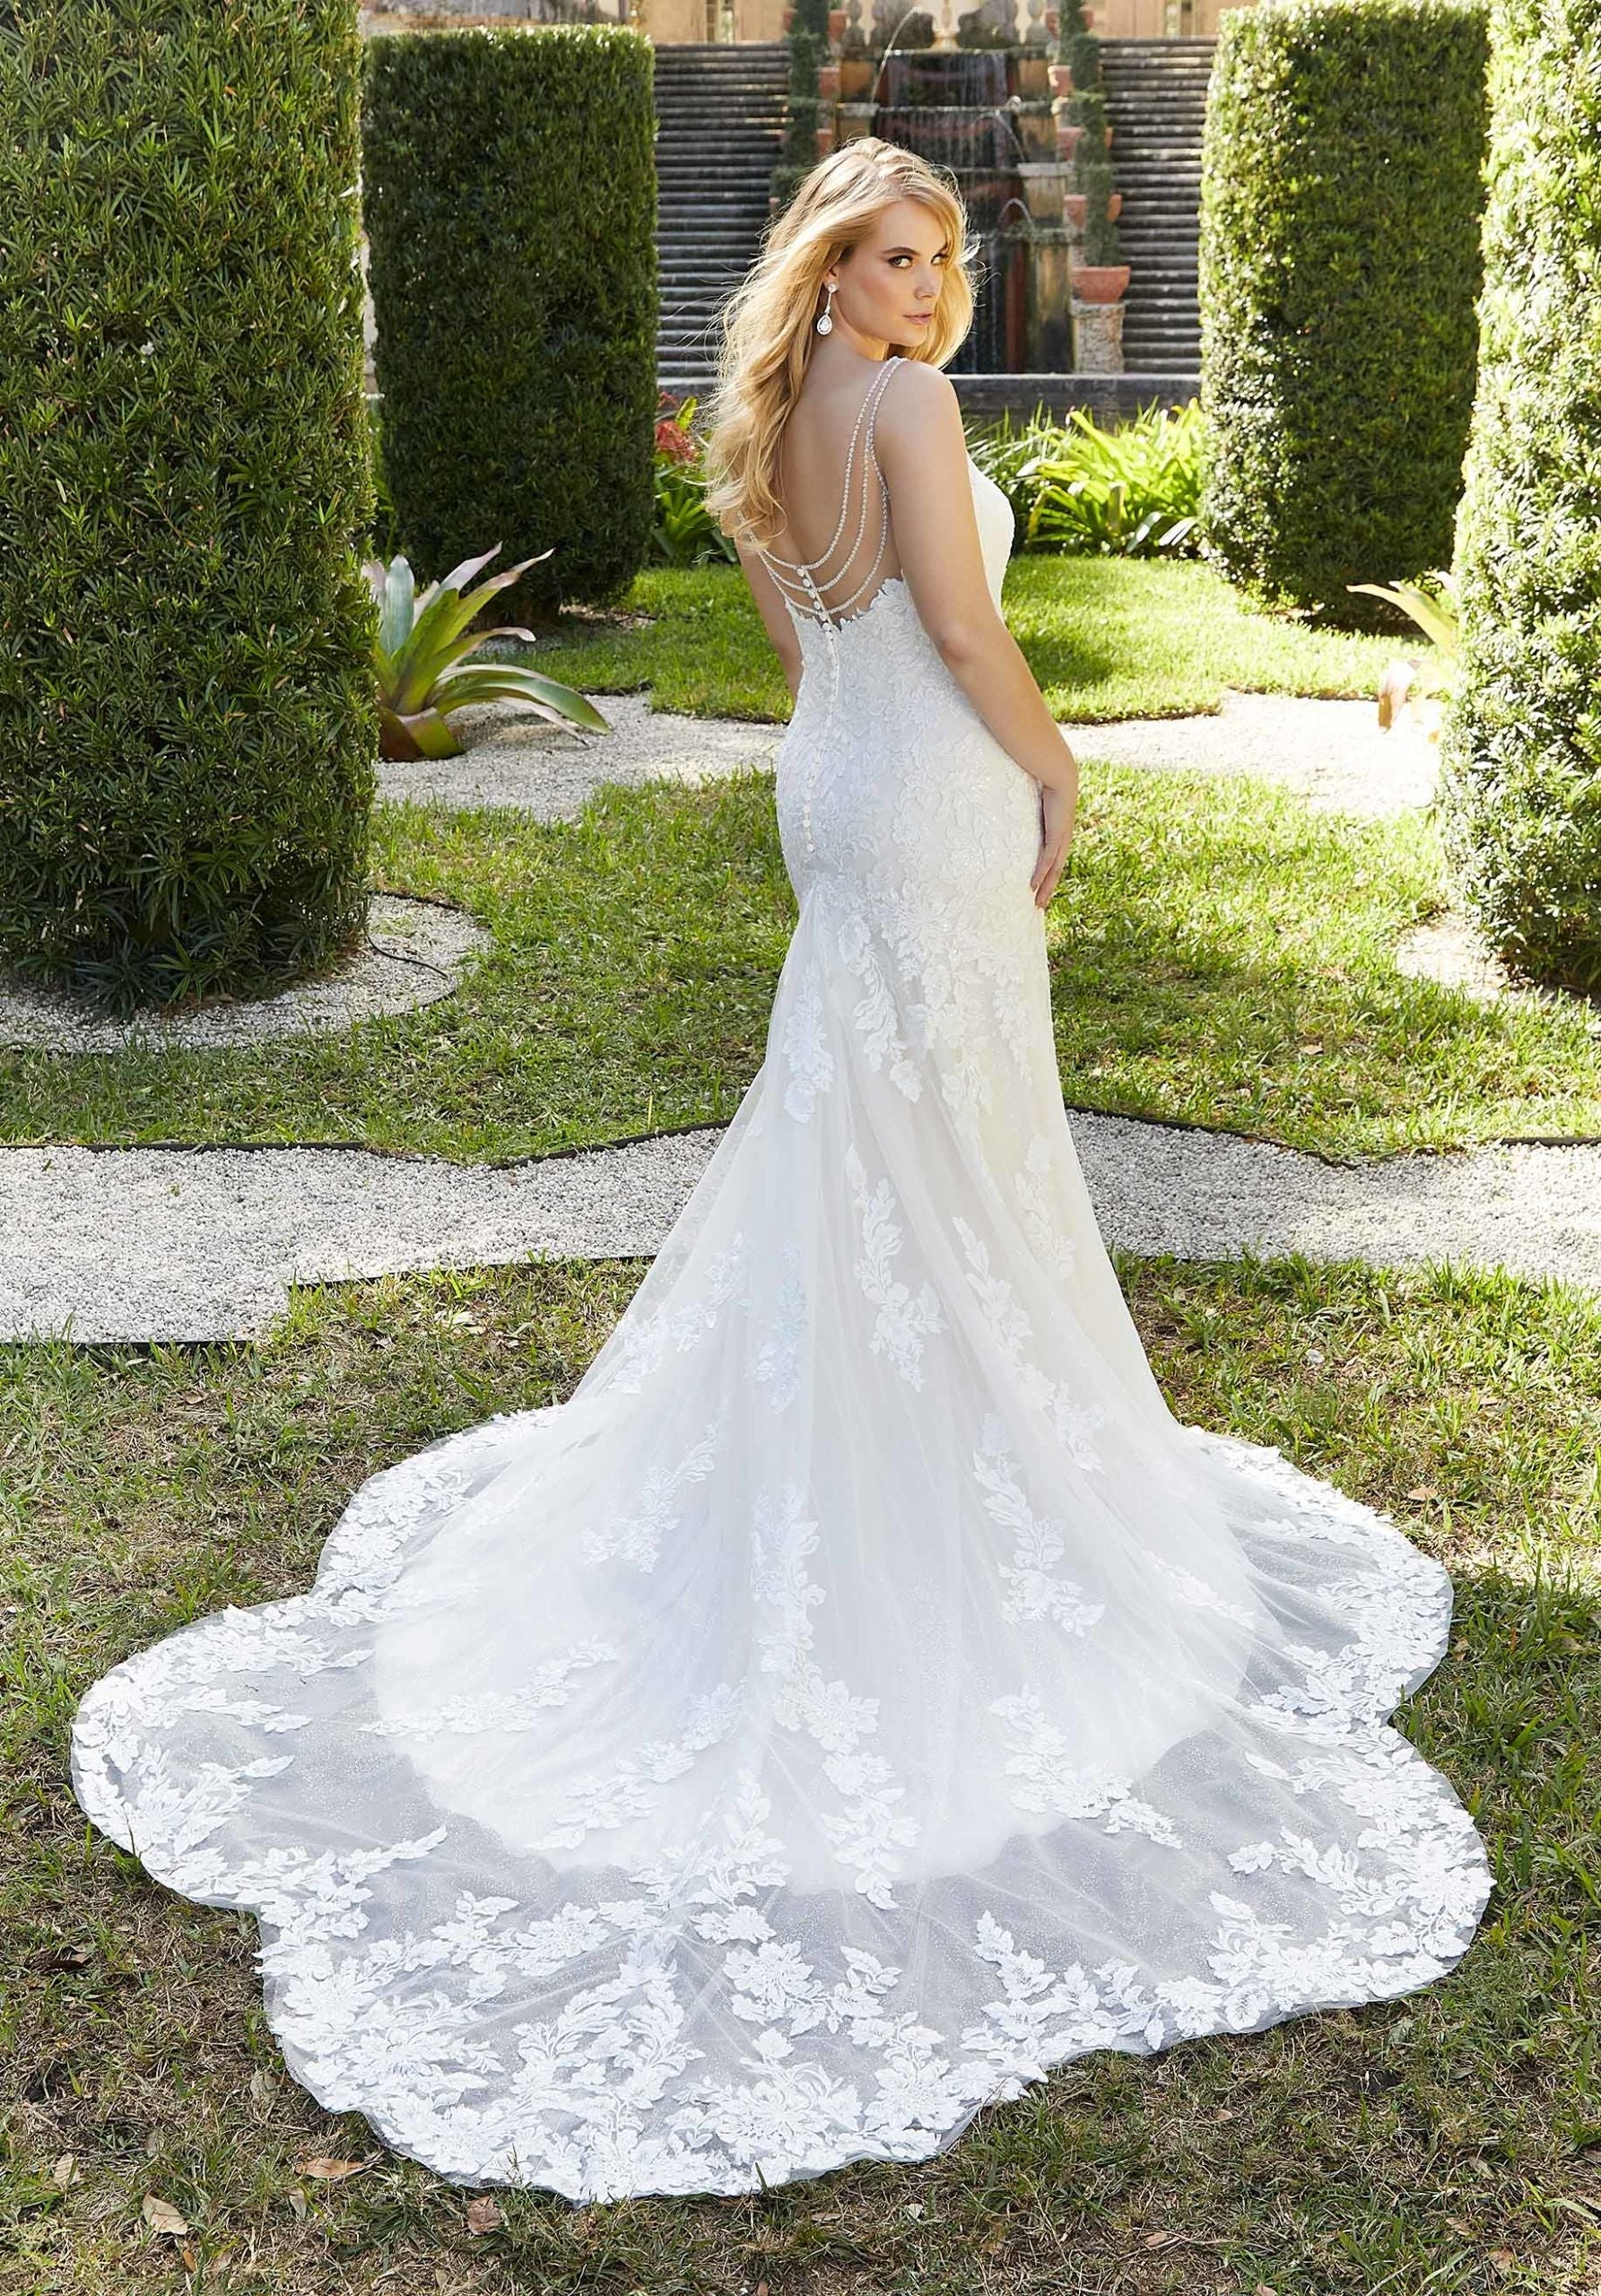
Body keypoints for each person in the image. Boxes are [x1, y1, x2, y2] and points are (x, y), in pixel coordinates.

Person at [70, 138, 1492, 2205]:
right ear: (826, 270)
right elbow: (963, 630)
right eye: (889, 256)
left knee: (874, 1132)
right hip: (922, 790)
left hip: (833, 784)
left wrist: (918, 726)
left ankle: (882, 1424)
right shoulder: (905, 405)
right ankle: (931, 1473)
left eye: (939, 254)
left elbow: (811, 630)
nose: (925, 288)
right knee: (942, 1136)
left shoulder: (766, 415)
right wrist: (1057, 764)